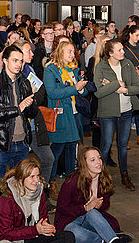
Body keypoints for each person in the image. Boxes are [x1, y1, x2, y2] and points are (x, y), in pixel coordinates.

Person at [0, 44, 39, 227]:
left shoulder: (24, 82)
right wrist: (18, 108)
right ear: (5, 60)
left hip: (22, 142)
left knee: (21, 184)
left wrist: (31, 103)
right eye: (15, 60)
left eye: (21, 61)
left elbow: (31, 113)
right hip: (1, 142)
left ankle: (20, 218)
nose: (18, 65)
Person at [0, 158, 75, 243]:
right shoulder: (7, 199)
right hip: (17, 239)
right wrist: (35, 230)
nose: (37, 180)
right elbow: (6, 233)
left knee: (68, 236)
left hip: (34, 235)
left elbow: (43, 216)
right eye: (32, 177)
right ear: (20, 178)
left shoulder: (39, 191)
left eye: (38, 176)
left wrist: (45, 226)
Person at [55, 147, 130, 243]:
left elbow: (106, 204)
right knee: (74, 232)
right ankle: (105, 239)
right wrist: (85, 208)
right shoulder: (72, 182)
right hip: (69, 220)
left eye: (99, 158)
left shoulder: (104, 179)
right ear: (84, 164)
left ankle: (113, 240)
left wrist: (99, 205)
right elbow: (62, 208)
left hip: (90, 218)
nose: (98, 162)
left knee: (92, 213)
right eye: (93, 160)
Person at [43, 41, 88, 200]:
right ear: (60, 52)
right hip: (61, 116)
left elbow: (82, 91)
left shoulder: (72, 69)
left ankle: (71, 183)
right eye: (69, 52)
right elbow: (53, 93)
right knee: (56, 151)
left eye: (73, 52)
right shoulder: (50, 70)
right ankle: (51, 182)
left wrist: (82, 88)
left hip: (74, 114)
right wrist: (75, 88)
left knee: (71, 150)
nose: (72, 55)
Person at [94, 39, 139, 191]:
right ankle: (100, 177)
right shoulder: (101, 67)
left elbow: (137, 87)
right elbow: (99, 92)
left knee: (123, 145)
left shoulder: (127, 64)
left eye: (122, 49)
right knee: (106, 145)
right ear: (110, 53)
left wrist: (125, 90)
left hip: (126, 111)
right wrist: (116, 85)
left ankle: (124, 174)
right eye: (119, 50)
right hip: (108, 113)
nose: (123, 52)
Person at [16, 39, 55, 196]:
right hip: (20, 127)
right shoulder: (9, 74)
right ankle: (24, 198)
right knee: (22, 167)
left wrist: (31, 99)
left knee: (48, 158)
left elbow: (40, 91)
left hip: (34, 125)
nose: (32, 54)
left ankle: (40, 194)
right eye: (28, 51)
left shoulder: (30, 69)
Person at [121, 25, 139, 148]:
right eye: (136, 35)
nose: (138, 38)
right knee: (128, 112)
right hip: (128, 82)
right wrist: (133, 71)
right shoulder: (124, 49)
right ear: (130, 34)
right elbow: (121, 65)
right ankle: (125, 139)